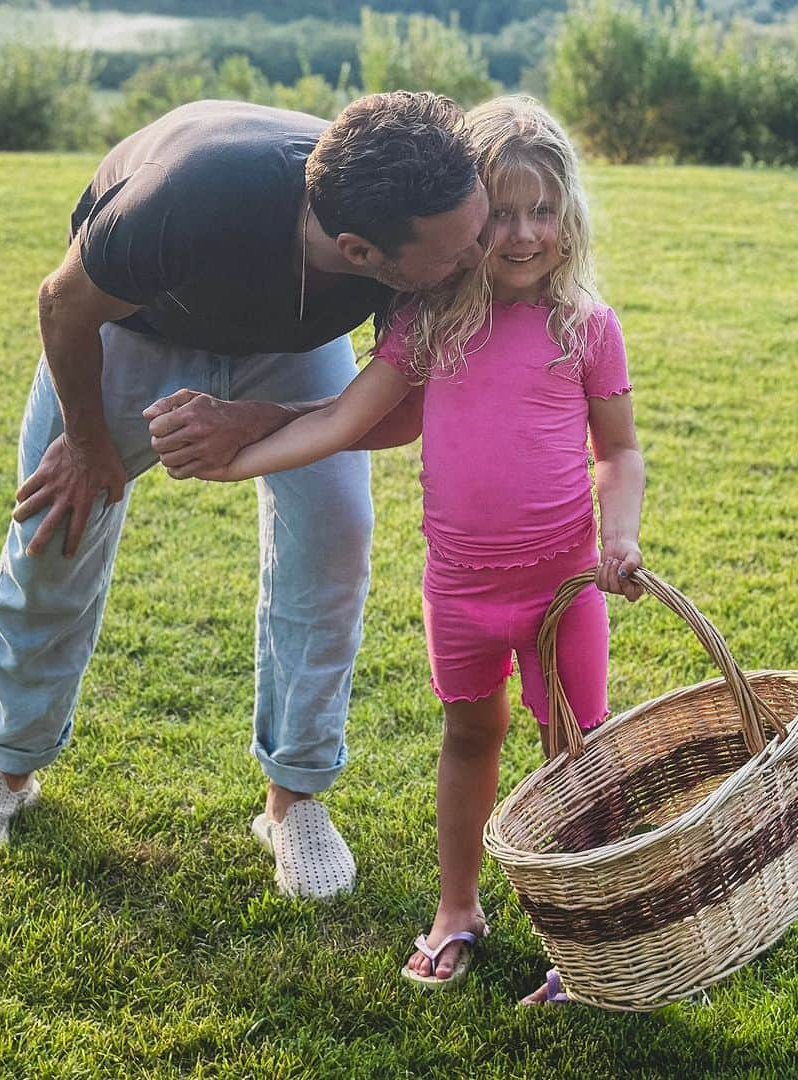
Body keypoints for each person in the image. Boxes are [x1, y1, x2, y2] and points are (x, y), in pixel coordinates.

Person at [0, 92, 489, 902]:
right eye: (458, 250)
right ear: (361, 251)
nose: (480, 255)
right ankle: (8, 769)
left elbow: (402, 412)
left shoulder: (432, 227)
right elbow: (64, 302)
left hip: (293, 351)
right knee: (57, 530)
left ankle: (293, 799)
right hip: (138, 329)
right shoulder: (194, 197)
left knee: (335, 532)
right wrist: (87, 448)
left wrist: (255, 419)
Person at [196, 96, 646, 999]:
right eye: (503, 212)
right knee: (470, 733)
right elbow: (344, 417)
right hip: (463, 590)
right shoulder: (431, 325)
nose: (522, 234)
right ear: (473, 219)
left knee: (574, 751)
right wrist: (234, 458)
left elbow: (621, 451)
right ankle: (457, 908)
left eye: (543, 211)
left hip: (565, 589)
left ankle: (585, 930)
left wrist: (621, 534)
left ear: (570, 216)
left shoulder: (585, 327)